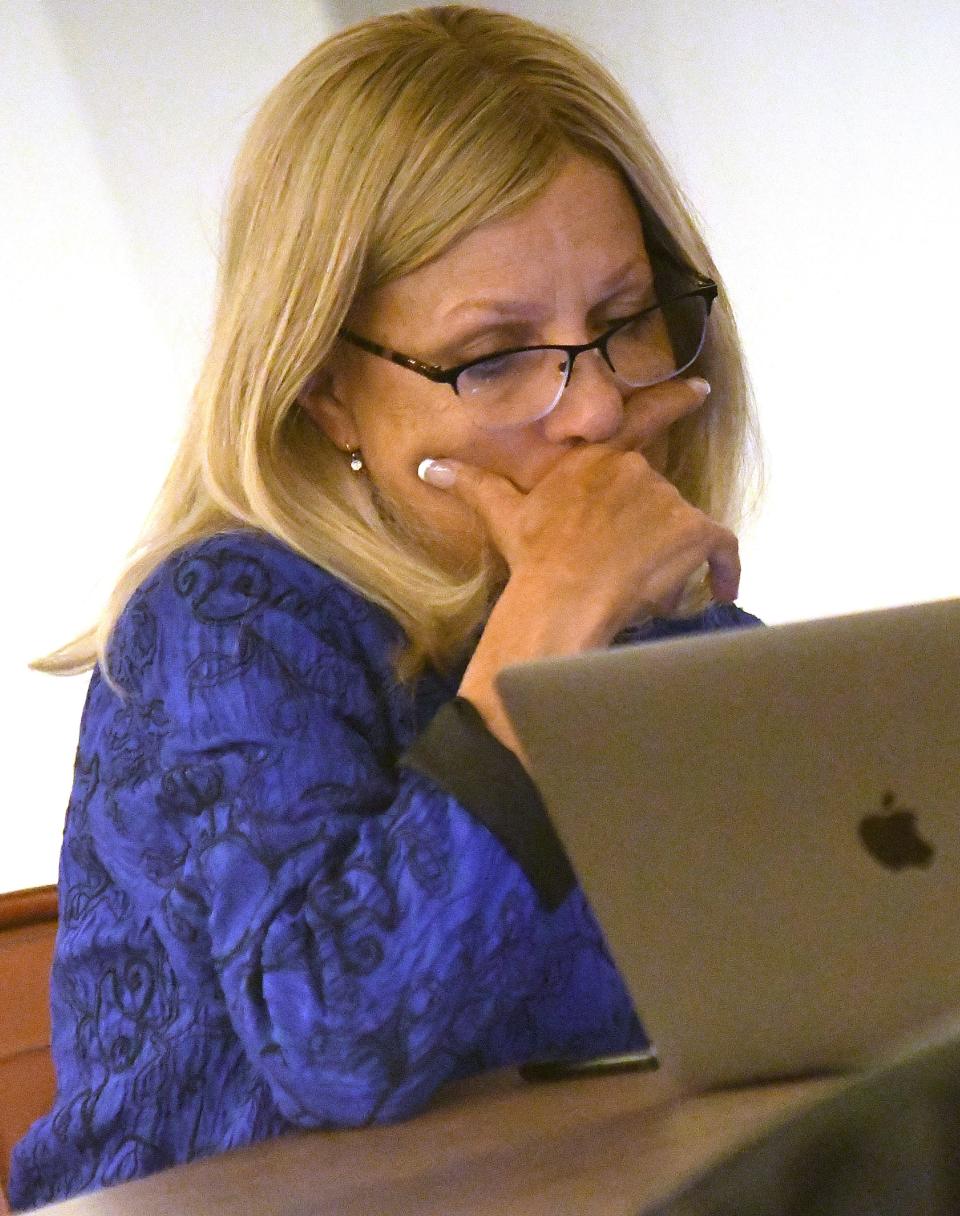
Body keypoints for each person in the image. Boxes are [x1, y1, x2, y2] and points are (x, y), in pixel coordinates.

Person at [8, 4, 762, 1207]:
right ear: (325, 391)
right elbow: (340, 1046)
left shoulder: (666, 628)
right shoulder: (225, 623)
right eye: (494, 353)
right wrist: (548, 635)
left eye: (623, 323)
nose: (598, 411)